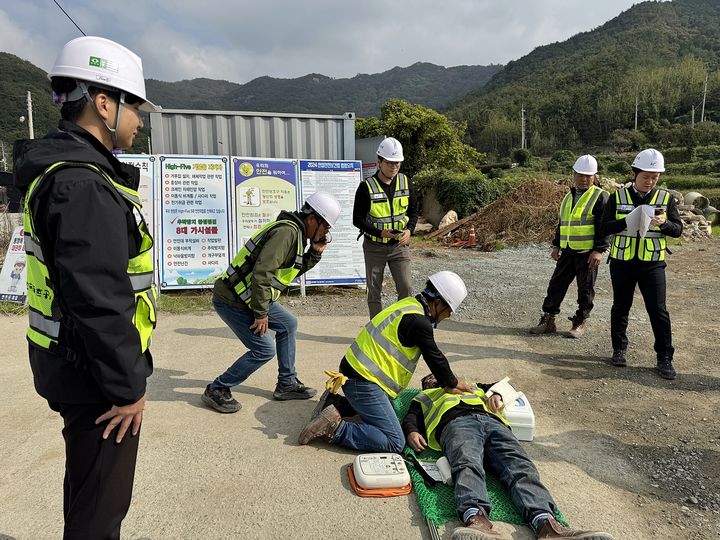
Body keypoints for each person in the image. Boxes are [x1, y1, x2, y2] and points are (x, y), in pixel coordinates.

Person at [13, 36, 158, 539]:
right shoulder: (83, 184)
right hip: (97, 379)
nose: (138, 120)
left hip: (74, 365)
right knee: (102, 509)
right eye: (134, 106)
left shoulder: (67, 173)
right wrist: (128, 387)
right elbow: (98, 299)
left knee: (87, 490)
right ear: (103, 103)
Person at [402, 374, 615, 540]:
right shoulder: (424, 397)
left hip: (494, 425)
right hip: (457, 425)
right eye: (432, 380)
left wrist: (498, 394)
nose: (438, 379)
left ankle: (547, 525)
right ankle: (476, 520)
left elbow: (503, 385)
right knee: (467, 463)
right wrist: (412, 431)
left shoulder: (475, 388)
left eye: (444, 375)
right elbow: (410, 417)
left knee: (520, 466)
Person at [298, 271, 474, 452]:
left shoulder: (409, 304)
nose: (448, 317)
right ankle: (335, 429)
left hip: (355, 373)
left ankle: (336, 404)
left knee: (387, 410)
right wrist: (452, 382)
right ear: (439, 302)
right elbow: (435, 357)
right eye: (449, 311)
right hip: (363, 382)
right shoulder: (419, 323)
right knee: (395, 441)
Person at [202, 191, 342, 413]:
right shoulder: (286, 233)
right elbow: (262, 274)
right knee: (264, 349)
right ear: (312, 219)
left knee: (288, 324)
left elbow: (290, 271)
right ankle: (217, 388)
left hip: (249, 296)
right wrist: (261, 313)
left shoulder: (295, 235)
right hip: (232, 299)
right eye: (325, 227)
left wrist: (314, 253)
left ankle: (287, 383)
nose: (325, 233)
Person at [601, 149, 683, 379]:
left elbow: (678, 231)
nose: (650, 182)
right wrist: (623, 222)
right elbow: (604, 227)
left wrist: (664, 224)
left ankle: (664, 357)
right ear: (634, 174)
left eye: (654, 178)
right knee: (620, 306)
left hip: (652, 264)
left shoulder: (666, 199)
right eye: (646, 176)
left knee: (658, 310)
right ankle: (619, 349)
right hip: (622, 261)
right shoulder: (618, 197)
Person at [531, 155, 609, 338]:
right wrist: (556, 245)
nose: (584, 179)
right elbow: (563, 223)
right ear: (574, 174)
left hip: (587, 253)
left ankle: (580, 320)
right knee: (556, 285)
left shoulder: (601, 196)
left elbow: (604, 226)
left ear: (595, 176)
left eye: (588, 176)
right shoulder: (568, 196)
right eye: (580, 175)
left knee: (586, 289)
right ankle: (548, 320)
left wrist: (599, 250)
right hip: (568, 251)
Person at [353, 137, 419, 318]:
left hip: (399, 246)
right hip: (374, 247)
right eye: (390, 163)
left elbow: (414, 211)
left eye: (397, 163)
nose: (394, 167)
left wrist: (409, 230)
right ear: (379, 162)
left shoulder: (406, 182)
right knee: (374, 292)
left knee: (406, 287)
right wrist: (379, 232)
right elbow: (357, 219)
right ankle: (376, 331)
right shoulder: (366, 188)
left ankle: (403, 327)